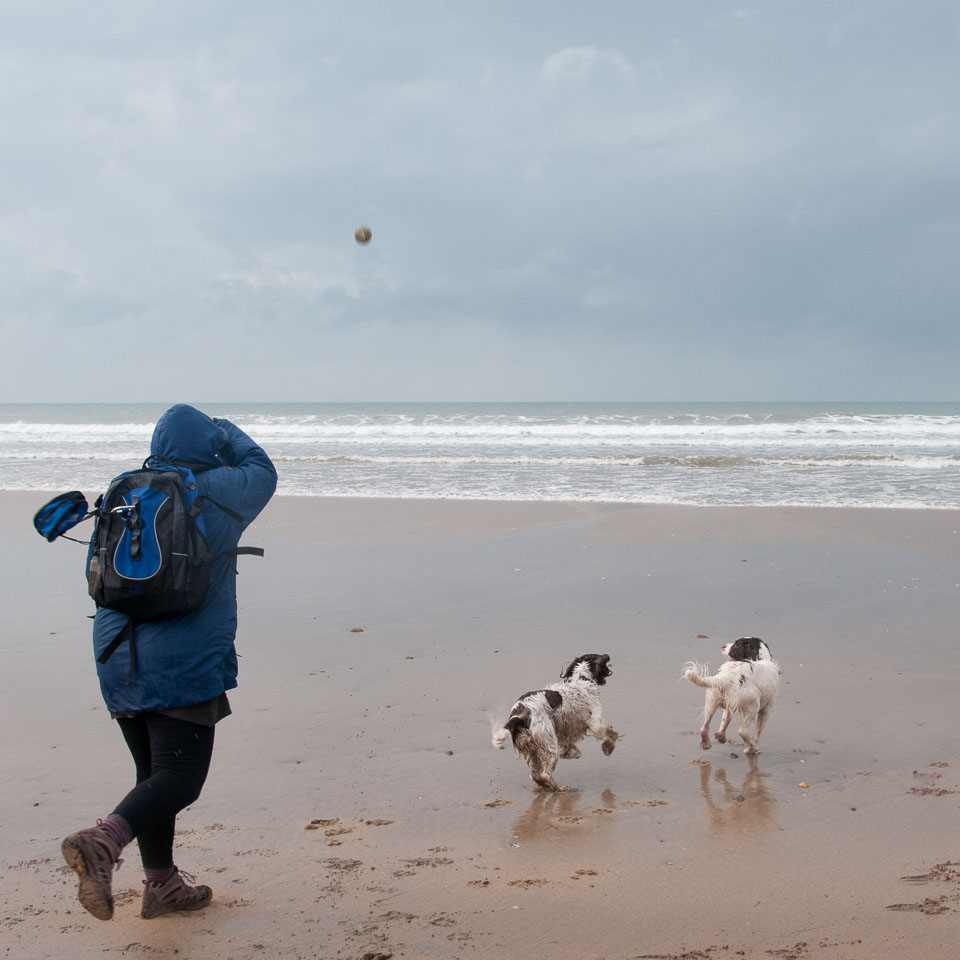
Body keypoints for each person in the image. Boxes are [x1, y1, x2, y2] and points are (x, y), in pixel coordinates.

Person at [60, 404, 277, 921]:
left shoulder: (124, 489)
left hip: (116, 652)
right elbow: (263, 469)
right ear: (208, 446)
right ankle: (102, 841)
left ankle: (161, 885)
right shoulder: (219, 490)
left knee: (152, 775)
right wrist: (223, 430)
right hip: (183, 658)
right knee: (180, 778)